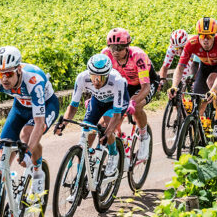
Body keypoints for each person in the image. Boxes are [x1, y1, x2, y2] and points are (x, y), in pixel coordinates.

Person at [0, 46, 58, 201]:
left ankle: (37, 173)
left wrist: (28, 152)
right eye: (0, 74)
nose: (4, 79)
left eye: (8, 74)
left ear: (19, 71)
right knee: (3, 155)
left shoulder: (34, 80)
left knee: (26, 135)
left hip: (46, 106)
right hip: (20, 108)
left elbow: (38, 122)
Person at [55, 54, 129, 179]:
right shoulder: (82, 78)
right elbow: (73, 106)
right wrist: (64, 124)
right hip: (97, 101)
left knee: (105, 125)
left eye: (101, 77)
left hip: (114, 104)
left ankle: (113, 154)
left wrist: (107, 133)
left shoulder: (117, 81)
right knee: (87, 134)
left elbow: (116, 115)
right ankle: (80, 176)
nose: (96, 81)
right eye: (93, 76)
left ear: (108, 75)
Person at [172, 17, 217, 138]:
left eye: (209, 36)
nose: (206, 40)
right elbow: (180, 67)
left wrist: (213, 90)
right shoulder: (192, 43)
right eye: (202, 36)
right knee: (198, 100)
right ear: (198, 36)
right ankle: (196, 137)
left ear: (214, 35)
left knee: (212, 81)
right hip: (206, 65)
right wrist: (174, 86)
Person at [102, 28, 153, 161]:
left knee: (136, 106)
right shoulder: (106, 55)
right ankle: (119, 139)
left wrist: (133, 101)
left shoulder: (138, 56)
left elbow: (146, 87)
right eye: (112, 47)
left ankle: (144, 136)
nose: (115, 52)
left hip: (144, 84)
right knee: (106, 121)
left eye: (119, 48)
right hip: (124, 84)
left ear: (127, 47)